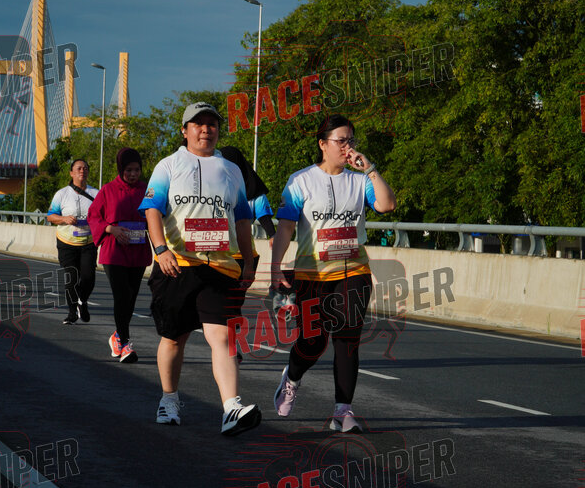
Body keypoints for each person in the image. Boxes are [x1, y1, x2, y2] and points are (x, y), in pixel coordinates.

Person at [139, 102, 261, 436]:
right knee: (173, 338)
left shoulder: (231, 170)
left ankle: (231, 408)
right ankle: (169, 399)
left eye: (212, 124)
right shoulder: (168, 165)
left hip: (220, 267)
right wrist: (160, 249)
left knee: (222, 337)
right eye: (198, 123)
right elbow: (152, 209)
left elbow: (242, 219)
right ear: (185, 130)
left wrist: (248, 261)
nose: (206, 129)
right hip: (177, 265)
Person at [270, 114, 396, 433]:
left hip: (353, 270)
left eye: (351, 140)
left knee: (347, 337)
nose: (347, 147)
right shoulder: (301, 181)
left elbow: (386, 205)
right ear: (323, 144)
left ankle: (343, 411)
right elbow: (285, 227)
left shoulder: (360, 181)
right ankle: (292, 377)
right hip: (312, 275)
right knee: (313, 342)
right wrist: (275, 266)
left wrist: (370, 169)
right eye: (341, 141)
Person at [87, 147, 152, 363]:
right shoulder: (108, 190)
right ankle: (124, 344)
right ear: (120, 169)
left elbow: (157, 215)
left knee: (131, 298)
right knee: (122, 296)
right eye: (128, 170)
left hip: (138, 251)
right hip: (114, 252)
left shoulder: (148, 190)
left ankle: (117, 335)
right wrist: (110, 229)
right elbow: (93, 216)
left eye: (137, 170)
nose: (133, 174)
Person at [218, 146, 276, 322]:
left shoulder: (251, 192)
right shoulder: (215, 188)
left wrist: (273, 236)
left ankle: (229, 331)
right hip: (231, 255)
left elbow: (264, 218)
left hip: (238, 256)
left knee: (230, 301)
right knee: (228, 301)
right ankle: (229, 332)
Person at [46, 159, 98, 325]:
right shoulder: (61, 194)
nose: (82, 171)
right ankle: (71, 313)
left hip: (88, 242)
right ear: (71, 173)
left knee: (89, 278)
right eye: (79, 168)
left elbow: (104, 215)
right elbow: (50, 216)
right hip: (66, 243)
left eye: (85, 168)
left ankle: (82, 301)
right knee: (71, 279)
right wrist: (64, 219)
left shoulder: (96, 193)